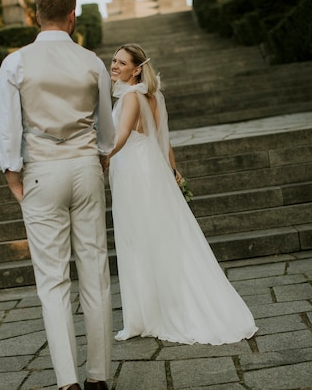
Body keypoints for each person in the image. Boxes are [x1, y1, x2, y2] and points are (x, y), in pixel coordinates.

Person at [0, 0, 115, 390]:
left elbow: (7, 126)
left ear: (35, 16)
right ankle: (98, 377)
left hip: (42, 171)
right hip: (84, 167)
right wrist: (98, 155)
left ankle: (68, 382)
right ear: (72, 16)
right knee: (95, 271)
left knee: (52, 280)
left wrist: (12, 173)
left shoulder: (15, 63)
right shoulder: (92, 62)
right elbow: (106, 126)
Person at [106, 43, 258, 345]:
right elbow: (165, 142)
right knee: (161, 238)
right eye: (113, 60)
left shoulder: (132, 97)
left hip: (135, 173)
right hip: (150, 170)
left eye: (122, 63)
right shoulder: (150, 97)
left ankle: (145, 317)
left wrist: (104, 156)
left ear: (136, 69)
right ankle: (152, 310)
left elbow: (122, 135)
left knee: (138, 240)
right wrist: (173, 171)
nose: (114, 66)